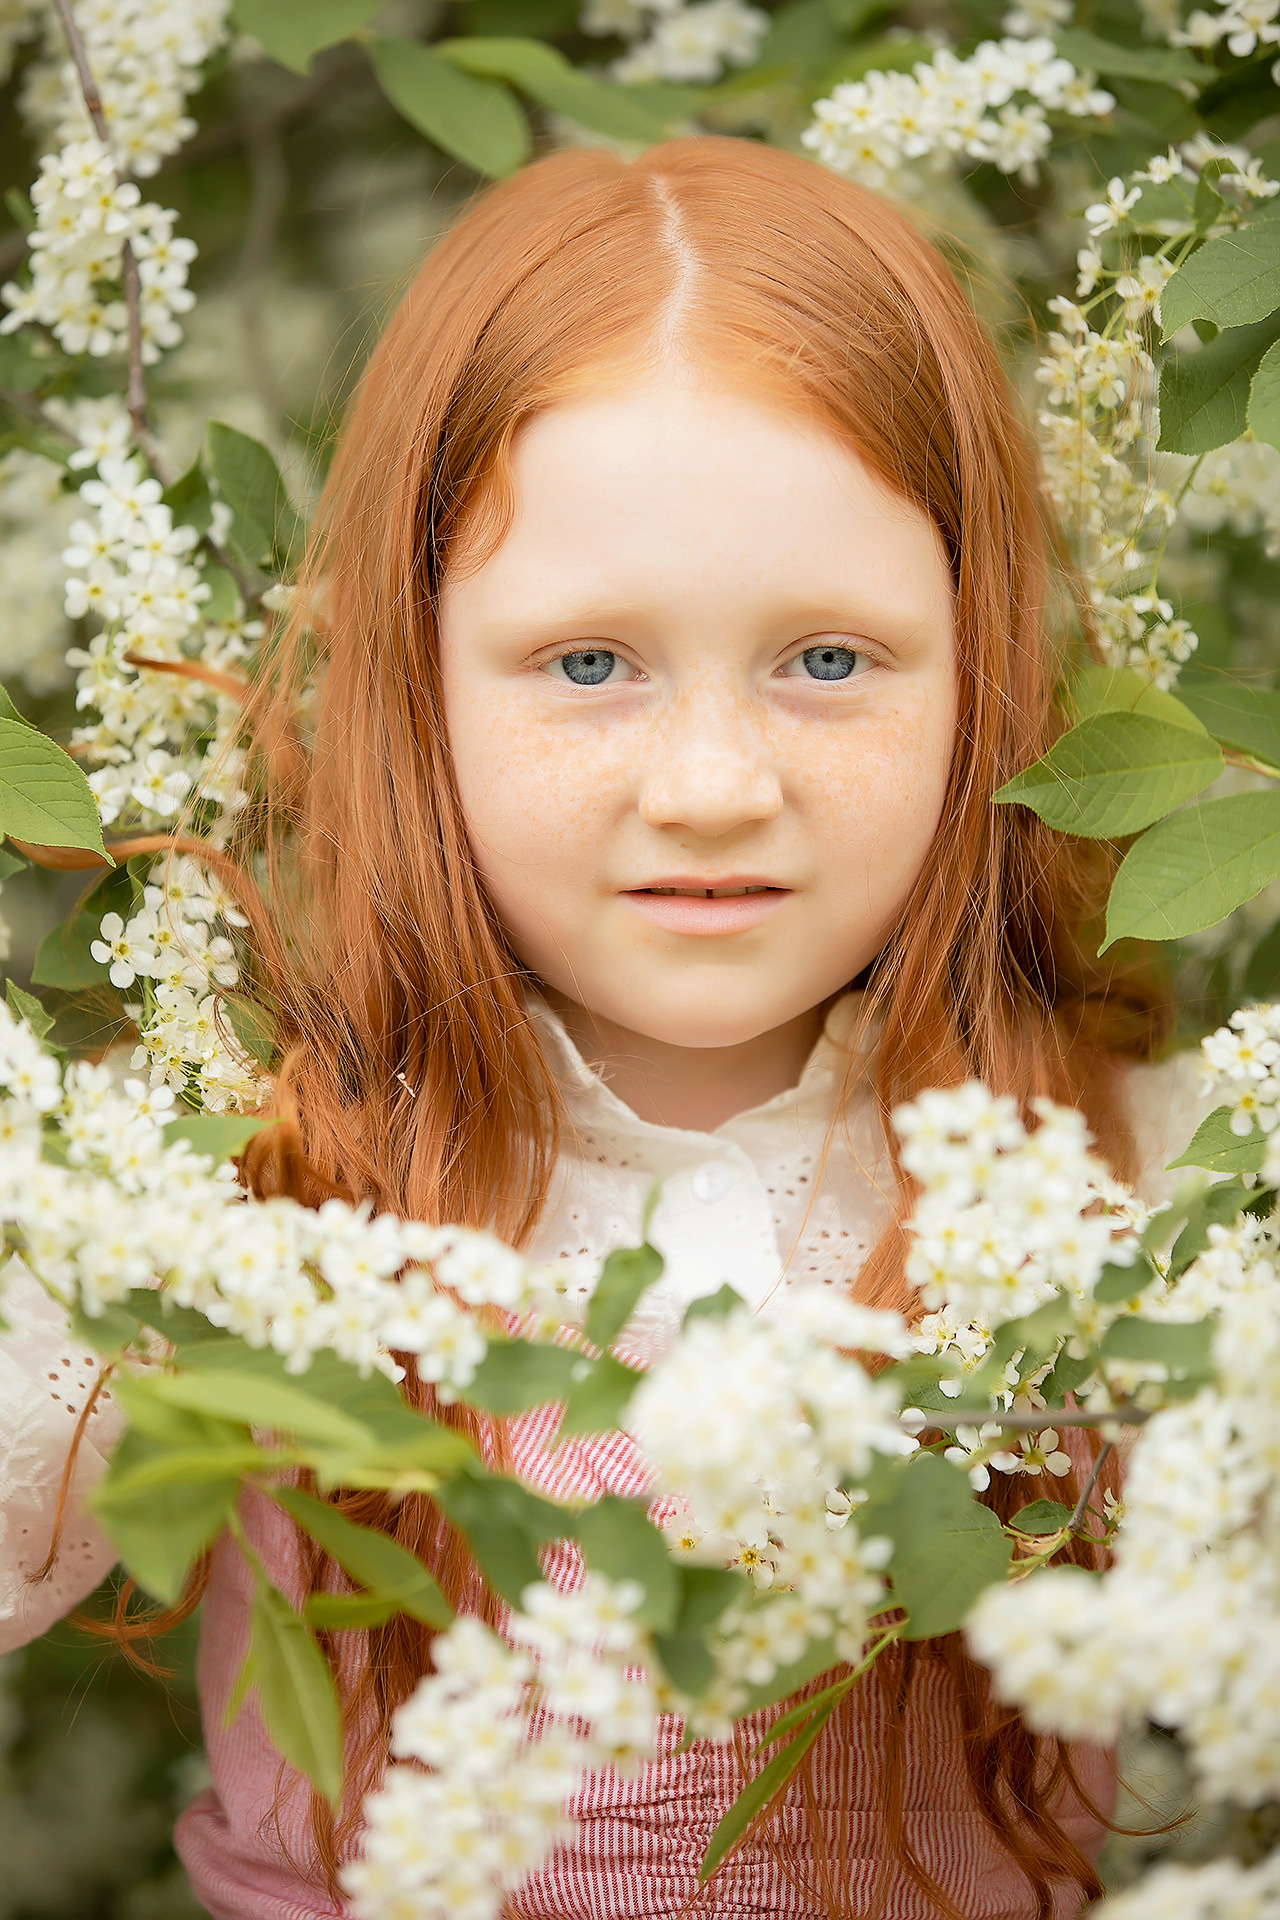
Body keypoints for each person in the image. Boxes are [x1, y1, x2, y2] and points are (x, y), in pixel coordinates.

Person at [0, 136, 1209, 1919]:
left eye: (829, 659)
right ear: (414, 678)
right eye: (588, 665)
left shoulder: (1152, 1179)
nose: (713, 787)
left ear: (983, 669)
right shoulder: (213, 1191)